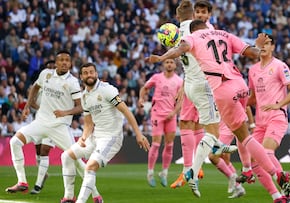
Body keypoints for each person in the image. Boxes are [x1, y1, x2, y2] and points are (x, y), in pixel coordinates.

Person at [147, 20, 290, 203]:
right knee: (245, 135)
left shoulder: (192, 37)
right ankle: (272, 178)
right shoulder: (223, 34)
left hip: (223, 90)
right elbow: (253, 53)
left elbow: (180, 49)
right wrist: (259, 46)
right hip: (240, 85)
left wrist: (161, 58)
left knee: (242, 136)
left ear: (192, 30)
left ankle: (271, 172)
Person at [5, 50, 102, 203]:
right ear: (56, 63)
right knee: (14, 142)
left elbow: (80, 106)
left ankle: (96, 194)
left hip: (60, 127)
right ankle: (22, 181)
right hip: (40, 122)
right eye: (61, 60)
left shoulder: (72, 82)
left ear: (70, 64)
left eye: (67, 61)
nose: (64, 63)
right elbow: (35, 88)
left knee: (76, 160)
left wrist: (65, 112)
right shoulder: (46, 74)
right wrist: (27, 106)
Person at [168, 0, 238, 192]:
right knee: (194, 124)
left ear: (208, 15)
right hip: (193, 81)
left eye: (202, 12)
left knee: (191, 124)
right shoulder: (206, 30)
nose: (199, 15)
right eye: (197, 12)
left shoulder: (191, 31)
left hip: (203, 83)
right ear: (193, 14)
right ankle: (202, 163)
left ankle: (190, 168)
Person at [62, 63, 150, 203]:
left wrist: (138, 134)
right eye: (86, 73)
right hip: (95, 137)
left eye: (92, 72)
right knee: (66, 156)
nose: (89, 75)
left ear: (96, 74)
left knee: (90, 167)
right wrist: (83, 138)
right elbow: (89, 123)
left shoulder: (107, 89)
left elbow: (126, 110)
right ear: (81, 76)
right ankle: (68, 197)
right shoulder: (84, 96)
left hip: (111, 138)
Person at [244, 34, 290, 201]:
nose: (263, 46)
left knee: (267, 152)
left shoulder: (279, 66)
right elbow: (253, 99)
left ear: (273, 47)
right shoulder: (252, 70)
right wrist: (236, 103)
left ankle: (287, 192)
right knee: (254, 159)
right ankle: (276, 196)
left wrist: (278, 104)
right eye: (261, 43)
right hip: (260, 121)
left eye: (267, 43)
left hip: (276, 117)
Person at [138, 58, 183, 187]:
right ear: (163, 65)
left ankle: (164, 172)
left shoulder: (179, 81)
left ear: (175, 65)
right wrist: (141, 98)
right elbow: (144, 88)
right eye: (167, 62)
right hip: (157, 114)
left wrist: (174, 113)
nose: (169, 64)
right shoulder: (156, 77)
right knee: (156, 144)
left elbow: (180, 100)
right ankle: (150, 172)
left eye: (171, 62)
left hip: (171, 116)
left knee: (169, 145)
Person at [29, 59, 56, 194]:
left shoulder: (59, 86)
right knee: (38, 152)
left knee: (45, 151)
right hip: (39, 121)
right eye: (48, 68)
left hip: (53, 123)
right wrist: (40, 108)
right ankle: (43, 174)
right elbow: (32, 102)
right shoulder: (39, 87)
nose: (50, 70)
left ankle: (38, 186)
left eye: (53, 68)